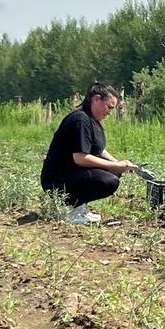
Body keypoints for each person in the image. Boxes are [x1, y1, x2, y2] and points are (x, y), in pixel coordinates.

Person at [40, 82, 138, 225]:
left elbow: (98, 149)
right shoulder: (80, 119)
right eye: (109, 107)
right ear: (96, 99)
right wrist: (114, 166)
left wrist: (118, 164)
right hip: (57, 180)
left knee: (114, 173)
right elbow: (80, 158)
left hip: (72, 175)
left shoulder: (92, 120)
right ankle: (70, 210)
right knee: (108, 181)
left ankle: (79, 207)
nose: (110, 112)